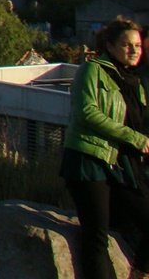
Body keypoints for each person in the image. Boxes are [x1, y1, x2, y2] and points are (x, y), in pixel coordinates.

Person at [62, 17, 149, 279]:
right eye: (126, 44)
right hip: (88, 161)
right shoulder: (91, 71)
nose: (133, 50)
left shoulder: (135, 83)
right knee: (96, 236)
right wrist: (135, 139)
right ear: (109, 46)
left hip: (121, 166)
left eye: (137, 45)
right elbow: (87, 113)